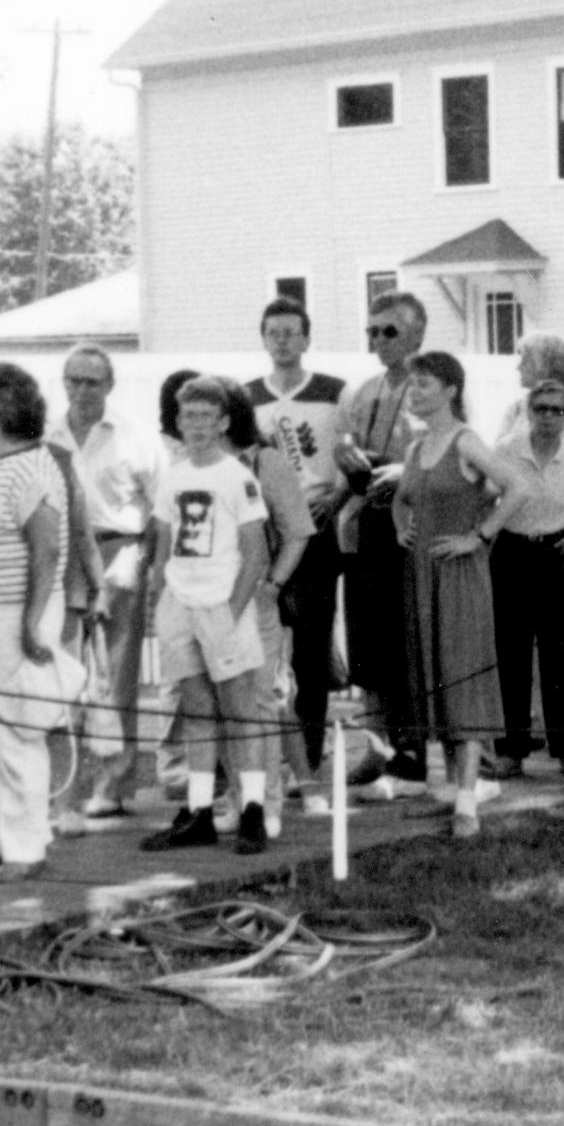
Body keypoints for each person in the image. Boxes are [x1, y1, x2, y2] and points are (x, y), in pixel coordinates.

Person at [139, 374, 287, 852]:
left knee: (241, 711)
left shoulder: (236, 476)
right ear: (177, 423)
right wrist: (159, 595)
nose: (197, 425)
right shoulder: (173, 474)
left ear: (224, 421)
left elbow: (256, 555)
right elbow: (162, 541)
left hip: (222, 604)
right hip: (181, 603)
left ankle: (252, 810)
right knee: (197, 711)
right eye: (189, 417)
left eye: (207, 416)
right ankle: (199, 812)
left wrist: (231, 612)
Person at [389, 351, 514, 834]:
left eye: (423, 385)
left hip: (459, 576)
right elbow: (403, 498)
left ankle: (467, 799)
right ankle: (446, 787)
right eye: (411, 385)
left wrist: (478, 537)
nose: (414, 393)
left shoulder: (466, 441)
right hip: (420, 576)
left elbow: (516, 486)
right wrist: (403, 526)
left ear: (450, 391)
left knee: (461, 677)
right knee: (432, 676)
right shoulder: (418, 447)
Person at [0, 360, 81, 873]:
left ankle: (26, 847)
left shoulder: (32, 466)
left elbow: (47, 550)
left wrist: (33, 622)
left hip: (17, 612)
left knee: (17, 732)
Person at [240, 298, 353, 795]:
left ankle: (307, 759)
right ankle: (258, 762)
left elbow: (352, 461)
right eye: (274, 332)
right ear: (263, 339)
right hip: (264, 531)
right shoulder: (244, 399)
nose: (283, 340)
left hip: (316, 528)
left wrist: (337, 497)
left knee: (310, 652)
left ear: (306, 338)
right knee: (261, 650)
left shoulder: (335, 393)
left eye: (292, 332)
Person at [329, 296, 430, 793]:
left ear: (416, 334)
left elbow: (445, 452)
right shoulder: (363, 390)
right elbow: (348, 456)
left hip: (409, 525)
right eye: (371, 332)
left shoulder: (430, 385)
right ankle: (373, 747)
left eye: (388, 331)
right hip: (364, 521)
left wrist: (402, 469)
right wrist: (346, 462)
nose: (377, 342)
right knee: (366, 638)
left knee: (403, 639)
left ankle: (410, 753)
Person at [55, 346, 155, 814]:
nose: (80, 390)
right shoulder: (49, 435)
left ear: (109, 385)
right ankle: (67, 789)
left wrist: (142, 563)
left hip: (119, 550)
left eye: (91, 381)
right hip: (64, 556)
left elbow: (160, 508)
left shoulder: (133, 435)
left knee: (117, 675)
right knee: (66, 674)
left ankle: (114, 784)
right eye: (73, 379)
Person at [483, 369, 564, 780]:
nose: (548, 416)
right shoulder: (507, 448)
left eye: (557, 410)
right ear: (528, 411)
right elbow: (486, 496)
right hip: (513, 552)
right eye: (541, 408)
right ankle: (511, 751)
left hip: (558, 555)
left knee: (560, 652)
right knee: (511, 652)